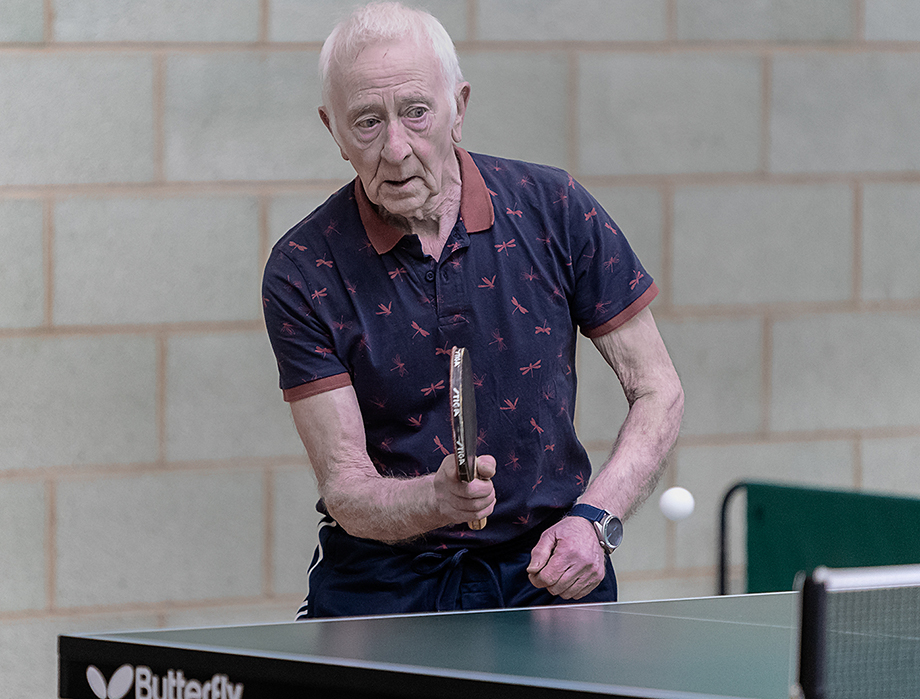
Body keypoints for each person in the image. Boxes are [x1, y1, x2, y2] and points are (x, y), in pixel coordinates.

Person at [262, 1, 683, 619]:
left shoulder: (555, 208)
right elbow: (347, 487)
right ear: (334, 131)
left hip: (547, 566)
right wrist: (434, 501)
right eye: (367, 122)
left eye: (416, 112)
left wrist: (596, 519)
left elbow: (658, 390)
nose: (396, 149)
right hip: (383, 581)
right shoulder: (303, 266)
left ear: (458, 108)